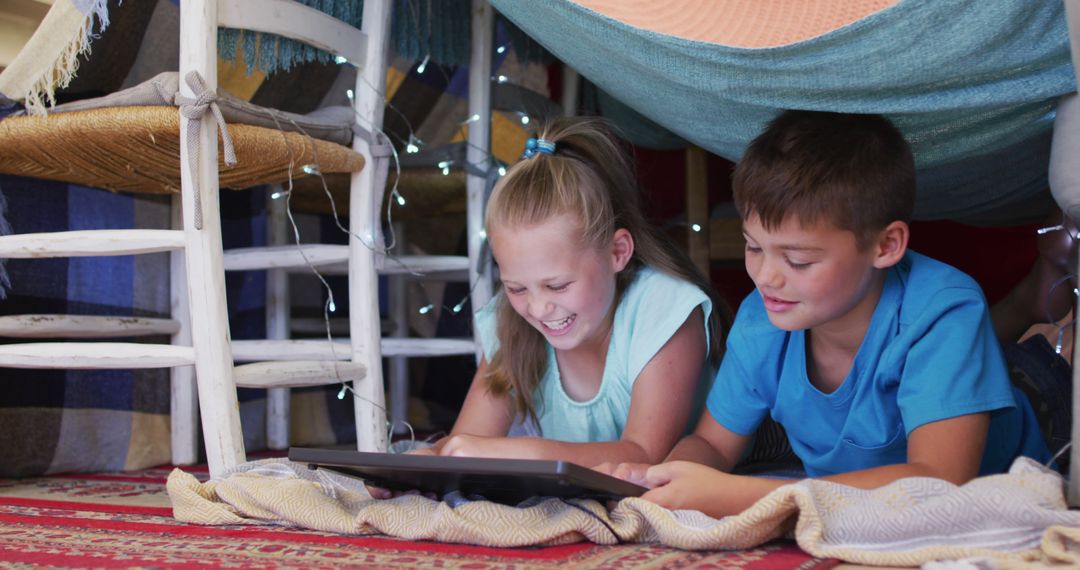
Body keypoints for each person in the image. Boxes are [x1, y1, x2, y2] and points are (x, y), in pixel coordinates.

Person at [602, 110, 1052, 518]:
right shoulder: (761, 320)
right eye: (753, 247)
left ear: (885, 246)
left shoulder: (943, 308)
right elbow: (712, 444)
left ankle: (1042, 298)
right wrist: (670, 476)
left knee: (1034, 364)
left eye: (798, 261)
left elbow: (939, 479)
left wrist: (741, 495)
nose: (767, 277)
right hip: (859, 477)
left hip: (1042, 415)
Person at [416, 116, 728, 466]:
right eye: (516, 288)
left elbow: (644, 456)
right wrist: (428, 460)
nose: (537, 307)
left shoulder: (663, 309)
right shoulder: (514, 322)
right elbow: (470, 438)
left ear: (617, 252)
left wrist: (525, 452)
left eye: (558, 285)